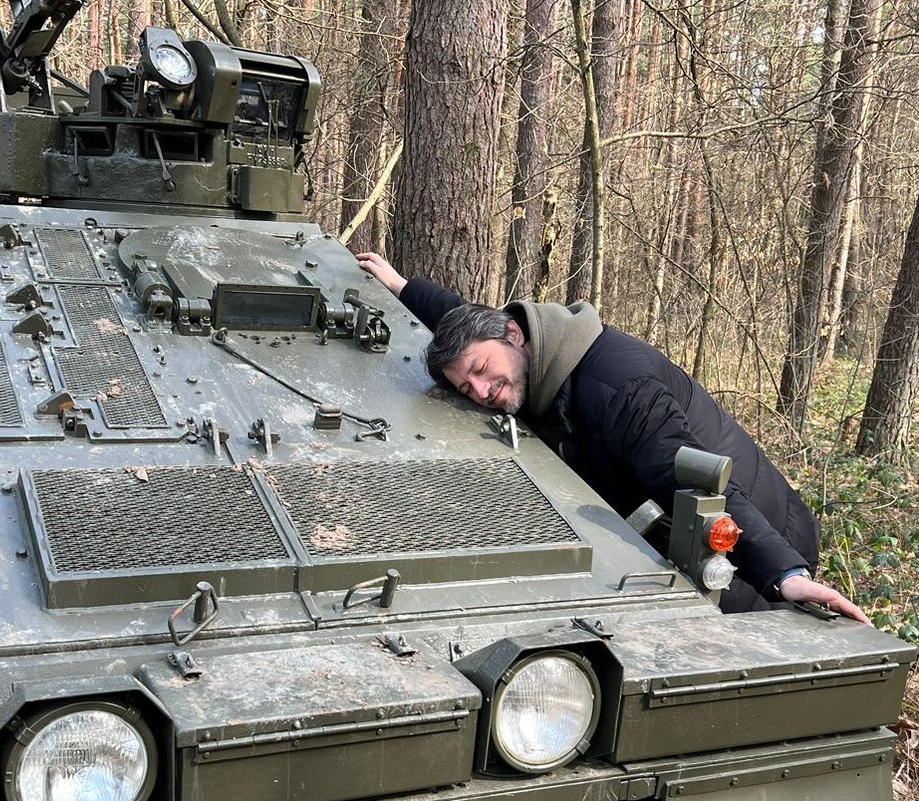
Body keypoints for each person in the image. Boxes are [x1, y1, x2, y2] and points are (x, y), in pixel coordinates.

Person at [357, 252, 870, 624]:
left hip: (747, 532)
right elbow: (462, 321)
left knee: (742, 646)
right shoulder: (528, 353)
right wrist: (403, 287)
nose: (483, 391)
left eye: (482, 373)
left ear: (514, 336)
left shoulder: (618, 388)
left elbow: (691, 480)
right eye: (467, 389)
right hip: (667, 523)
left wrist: (785, 574)